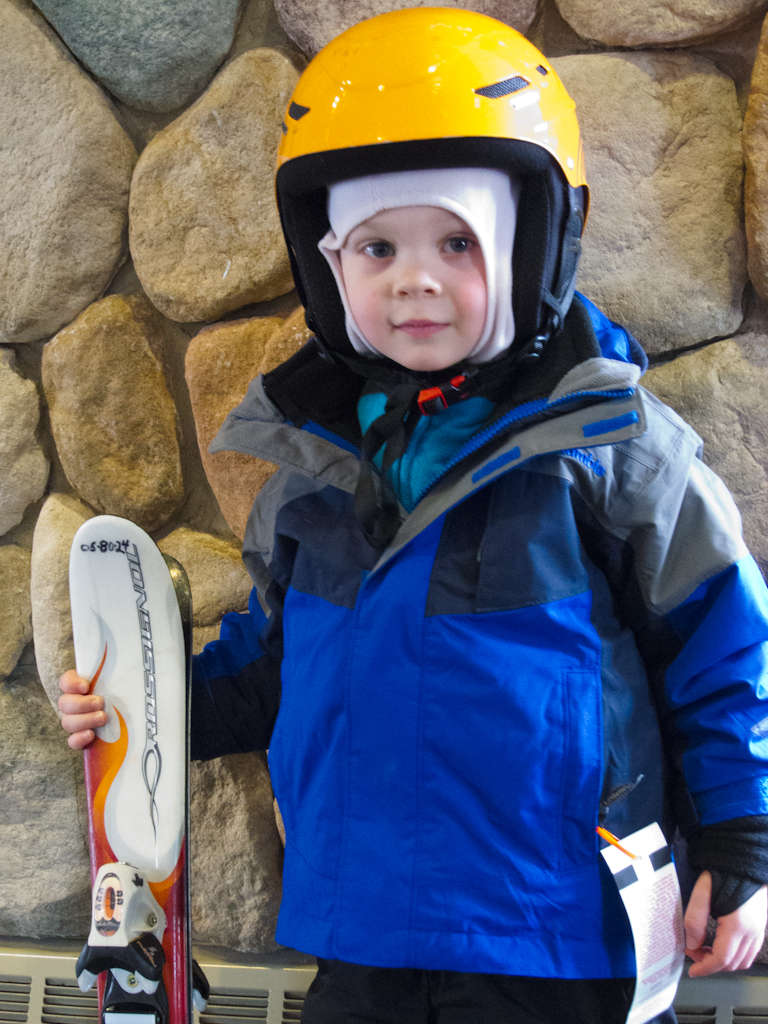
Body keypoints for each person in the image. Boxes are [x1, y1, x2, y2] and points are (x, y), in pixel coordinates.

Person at [60, 8, 768, 1023]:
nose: (416, 278)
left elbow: (722, 646)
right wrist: (139, 708)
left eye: (457, 240)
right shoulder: (313, 471)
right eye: (378, 246)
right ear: (327, 263)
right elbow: (275, 664)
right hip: (363, 931)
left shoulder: (614, 448)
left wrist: (746, 836)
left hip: (548, 936)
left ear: (534, 243)